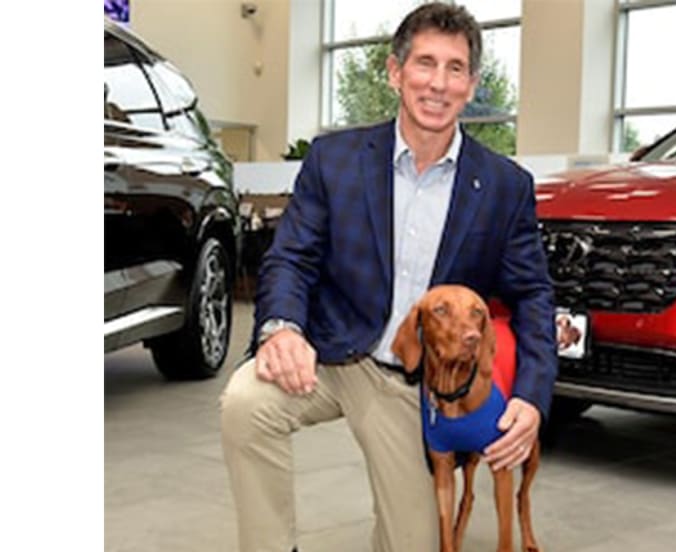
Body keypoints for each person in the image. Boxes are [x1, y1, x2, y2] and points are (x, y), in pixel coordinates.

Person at [219, 3, 557, 551]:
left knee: (414, 542)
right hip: (329, 355)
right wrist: (281, 329)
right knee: (245, 404)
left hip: (412, 384)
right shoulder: (335, 160)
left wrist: (531, 397)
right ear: (395, 71)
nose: (438, 83)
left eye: (455, 68)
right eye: (425, 63)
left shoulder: (504, 186)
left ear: (471, 85)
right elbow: (291, 258)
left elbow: (533, 295)